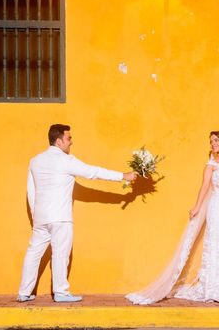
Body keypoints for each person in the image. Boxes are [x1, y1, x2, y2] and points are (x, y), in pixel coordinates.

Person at [126, 130, 219, 304]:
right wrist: (197, 207)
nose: (212, 144)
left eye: (215, 140)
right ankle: (215, 288)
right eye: (211, 141)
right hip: (217, 209)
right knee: (217, 244)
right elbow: (204, 187)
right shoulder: (211, 165)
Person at [18, 124, 137, 303]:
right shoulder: (67, 161)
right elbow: (93, 172)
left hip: (41, 217)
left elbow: (31, 191)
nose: (71, 142)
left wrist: (36, 215)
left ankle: (23, 293)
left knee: (33, 253)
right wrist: (123, 176)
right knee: (60, 254)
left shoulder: (35, 160)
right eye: (69, 138)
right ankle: (61, 293)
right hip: (60, 217)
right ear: (59, 141)